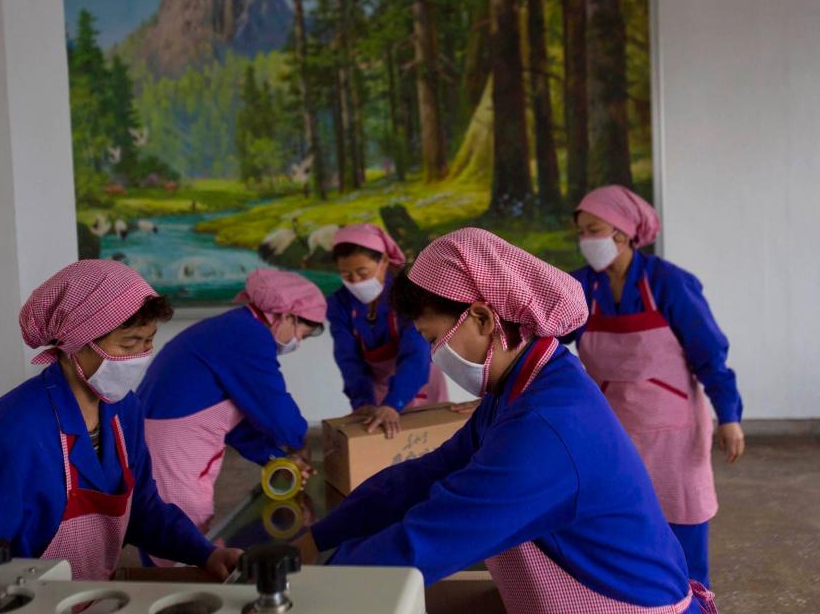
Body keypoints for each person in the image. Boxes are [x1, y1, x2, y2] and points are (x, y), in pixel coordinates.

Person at [294, 228, 718, 614]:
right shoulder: (521, 389)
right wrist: (316, 540)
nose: (432, 354)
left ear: (482, 318)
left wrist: (310, 589)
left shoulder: (545, 425)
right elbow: (422, 477)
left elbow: (432, 537)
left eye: (431, 338)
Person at [0, 260, 241, 581]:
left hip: (89, 596)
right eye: (129, 343)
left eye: (149, 340)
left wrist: (205, 552)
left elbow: (142, 510)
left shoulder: (124, 411)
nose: (143, 354)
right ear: (75, 342)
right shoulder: (11, 435)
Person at [565, 184, 744, 588]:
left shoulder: (669, 283)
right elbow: (544, 338)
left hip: (675, 436)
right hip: (612, 431)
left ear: (623, 233)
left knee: (682, 529)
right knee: (620, 532)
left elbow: (709, 355)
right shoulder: (579, 289)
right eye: (581, 232)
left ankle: (692, 602)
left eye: (593, 229)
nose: (585, 240)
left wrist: (729, 417)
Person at [137, 269, 325, 562]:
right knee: (181, 536)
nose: (298, 342)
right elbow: (277, 413)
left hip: (161, 439)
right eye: (303, 332)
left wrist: (274, 458)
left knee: (166, 528)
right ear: (288, 316)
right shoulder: (249, 336)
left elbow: (235, 422)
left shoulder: (231, 328)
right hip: (173, 448)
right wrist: (298, 441)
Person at [327, 224, 449, 438]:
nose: (355, 281)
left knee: (430, 439)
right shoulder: (339, 304)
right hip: (374, 384)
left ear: (383, 261)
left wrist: (395, 401)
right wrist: (362, 401)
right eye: (346, 275)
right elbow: (348, 359)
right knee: (379, 435)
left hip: (419, 375)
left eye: (362, 272)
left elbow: (416, 352)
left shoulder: (406, 294)